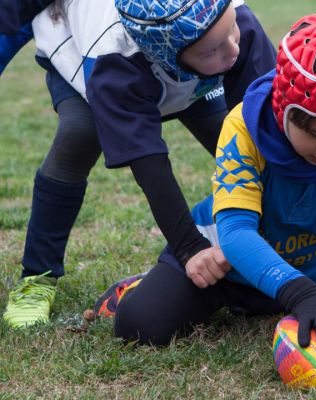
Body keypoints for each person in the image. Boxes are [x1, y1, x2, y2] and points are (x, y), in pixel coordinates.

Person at [97, 6, 316, 354]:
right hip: (224, 264)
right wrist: (302, 292)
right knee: (138, 326)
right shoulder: (243, 126)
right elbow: (237, 234)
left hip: (305, 271)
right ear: (282, 106)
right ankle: (142, 285)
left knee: (299, 301)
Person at [2, 0, 276, 328]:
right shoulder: (112, 58)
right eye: (217, 47)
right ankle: (37, 277)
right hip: (84, 58)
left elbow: (269, 132)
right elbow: (149, 164)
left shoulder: (232, 23)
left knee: (246, 146)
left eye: (231, 31)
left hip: (191, 70)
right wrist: (191, 249)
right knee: (79, 135)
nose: (234, 49)